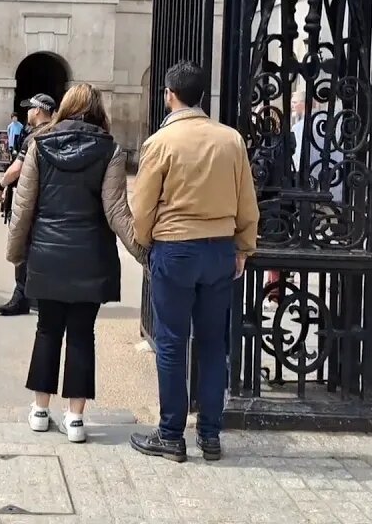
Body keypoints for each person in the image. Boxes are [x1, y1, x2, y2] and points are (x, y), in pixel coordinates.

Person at [129, 61, 258, 463]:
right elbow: (246, 201)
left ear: (169, 94)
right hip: (219, 246)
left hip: (176, 246)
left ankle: (171, 433)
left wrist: (145, 242)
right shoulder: (231, 140)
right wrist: (243, 247)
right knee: (212, 343)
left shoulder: (161, 143)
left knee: (171, 341)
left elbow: (143, 206)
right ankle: (210, 434)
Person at [5, 83, 142, 444]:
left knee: (47, 329)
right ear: (97, 110)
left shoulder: (39, 144)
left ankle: (39, 409)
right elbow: (116, 211)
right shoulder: (109, 151)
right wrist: (143, 253)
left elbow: (24, 206)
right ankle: (75, 417)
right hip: (90, 255)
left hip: (48, 251)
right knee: (82, 334)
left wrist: (16, 251)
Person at [0, 93, 57, 316]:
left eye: (30, 108)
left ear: (39, 110)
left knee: (23, 246)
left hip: (29, 199)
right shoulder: (57, 133)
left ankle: (22, 295)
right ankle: (36, 296)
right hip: (49, 200)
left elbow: (17, 168)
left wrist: (1, 185)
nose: (27, 112)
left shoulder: (34, 138)